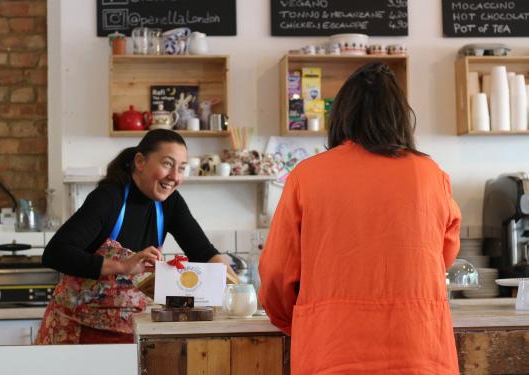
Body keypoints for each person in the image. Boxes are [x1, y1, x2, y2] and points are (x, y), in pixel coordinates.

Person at [258, 62, 461, 374]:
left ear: (341, 115)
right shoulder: (431, 175)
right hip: (419, 347)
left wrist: (294, 320)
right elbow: (442, 256)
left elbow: (276, 271)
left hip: (332, 348)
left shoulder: (307, 176)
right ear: (400, 116)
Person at [36, 129, 234, 344]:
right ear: (140, 161)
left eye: (182, 168)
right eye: (167, 164)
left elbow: (203, 252)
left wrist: (237, 286)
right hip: (76, 331)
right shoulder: (108, 199)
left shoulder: (170, 203)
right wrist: (121, 266)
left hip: (131, 331)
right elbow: (55, 253)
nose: (175, 176)